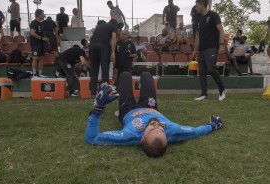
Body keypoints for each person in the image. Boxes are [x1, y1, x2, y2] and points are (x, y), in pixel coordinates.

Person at [84, 72, 223, 158]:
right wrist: (213, 125)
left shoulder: (129, 136)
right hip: (150, 107)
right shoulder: (173, 131)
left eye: (151, 129)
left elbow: (92, 138)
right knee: (146, 75)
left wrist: (97, 109)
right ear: (167, 137)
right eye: (161, 129)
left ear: (142, 139)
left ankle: (119, 112)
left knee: (125, 76)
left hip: (128, 111)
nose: (156, 124)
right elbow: (195, 132)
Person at [192, 0, 226, 101]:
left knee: (211, 69)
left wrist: (222, 45)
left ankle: (222, 90)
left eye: (197, 5)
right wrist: (195, 51)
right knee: (201, 72)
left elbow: (221, 30)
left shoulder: (213, 15)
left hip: (211, 48)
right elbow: (199, 38)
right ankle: (204, 94)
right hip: (201, 50)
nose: (196, 7)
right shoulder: (199, 20)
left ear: (202, 5)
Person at [89, 19, 118, 98]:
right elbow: (114, 38)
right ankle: (104, 92)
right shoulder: (113, 26)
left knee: (94, 69)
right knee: (105, 68)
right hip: (103, 46)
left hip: (92, 46)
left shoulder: (100, 26)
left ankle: (92, 93)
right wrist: (113, 52)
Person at [30, 9, 49, 78]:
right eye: (43, 14)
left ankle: (40, 74)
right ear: (38, 14)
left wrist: (45, 38)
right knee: (35, 58)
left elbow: (42, 34)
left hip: (42, 44)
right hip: (36, 43)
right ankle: (34, 74)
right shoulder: (34, 23)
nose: (44, 15)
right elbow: (32, 33)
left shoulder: (41, 23)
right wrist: (41, 38)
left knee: (42, 58)